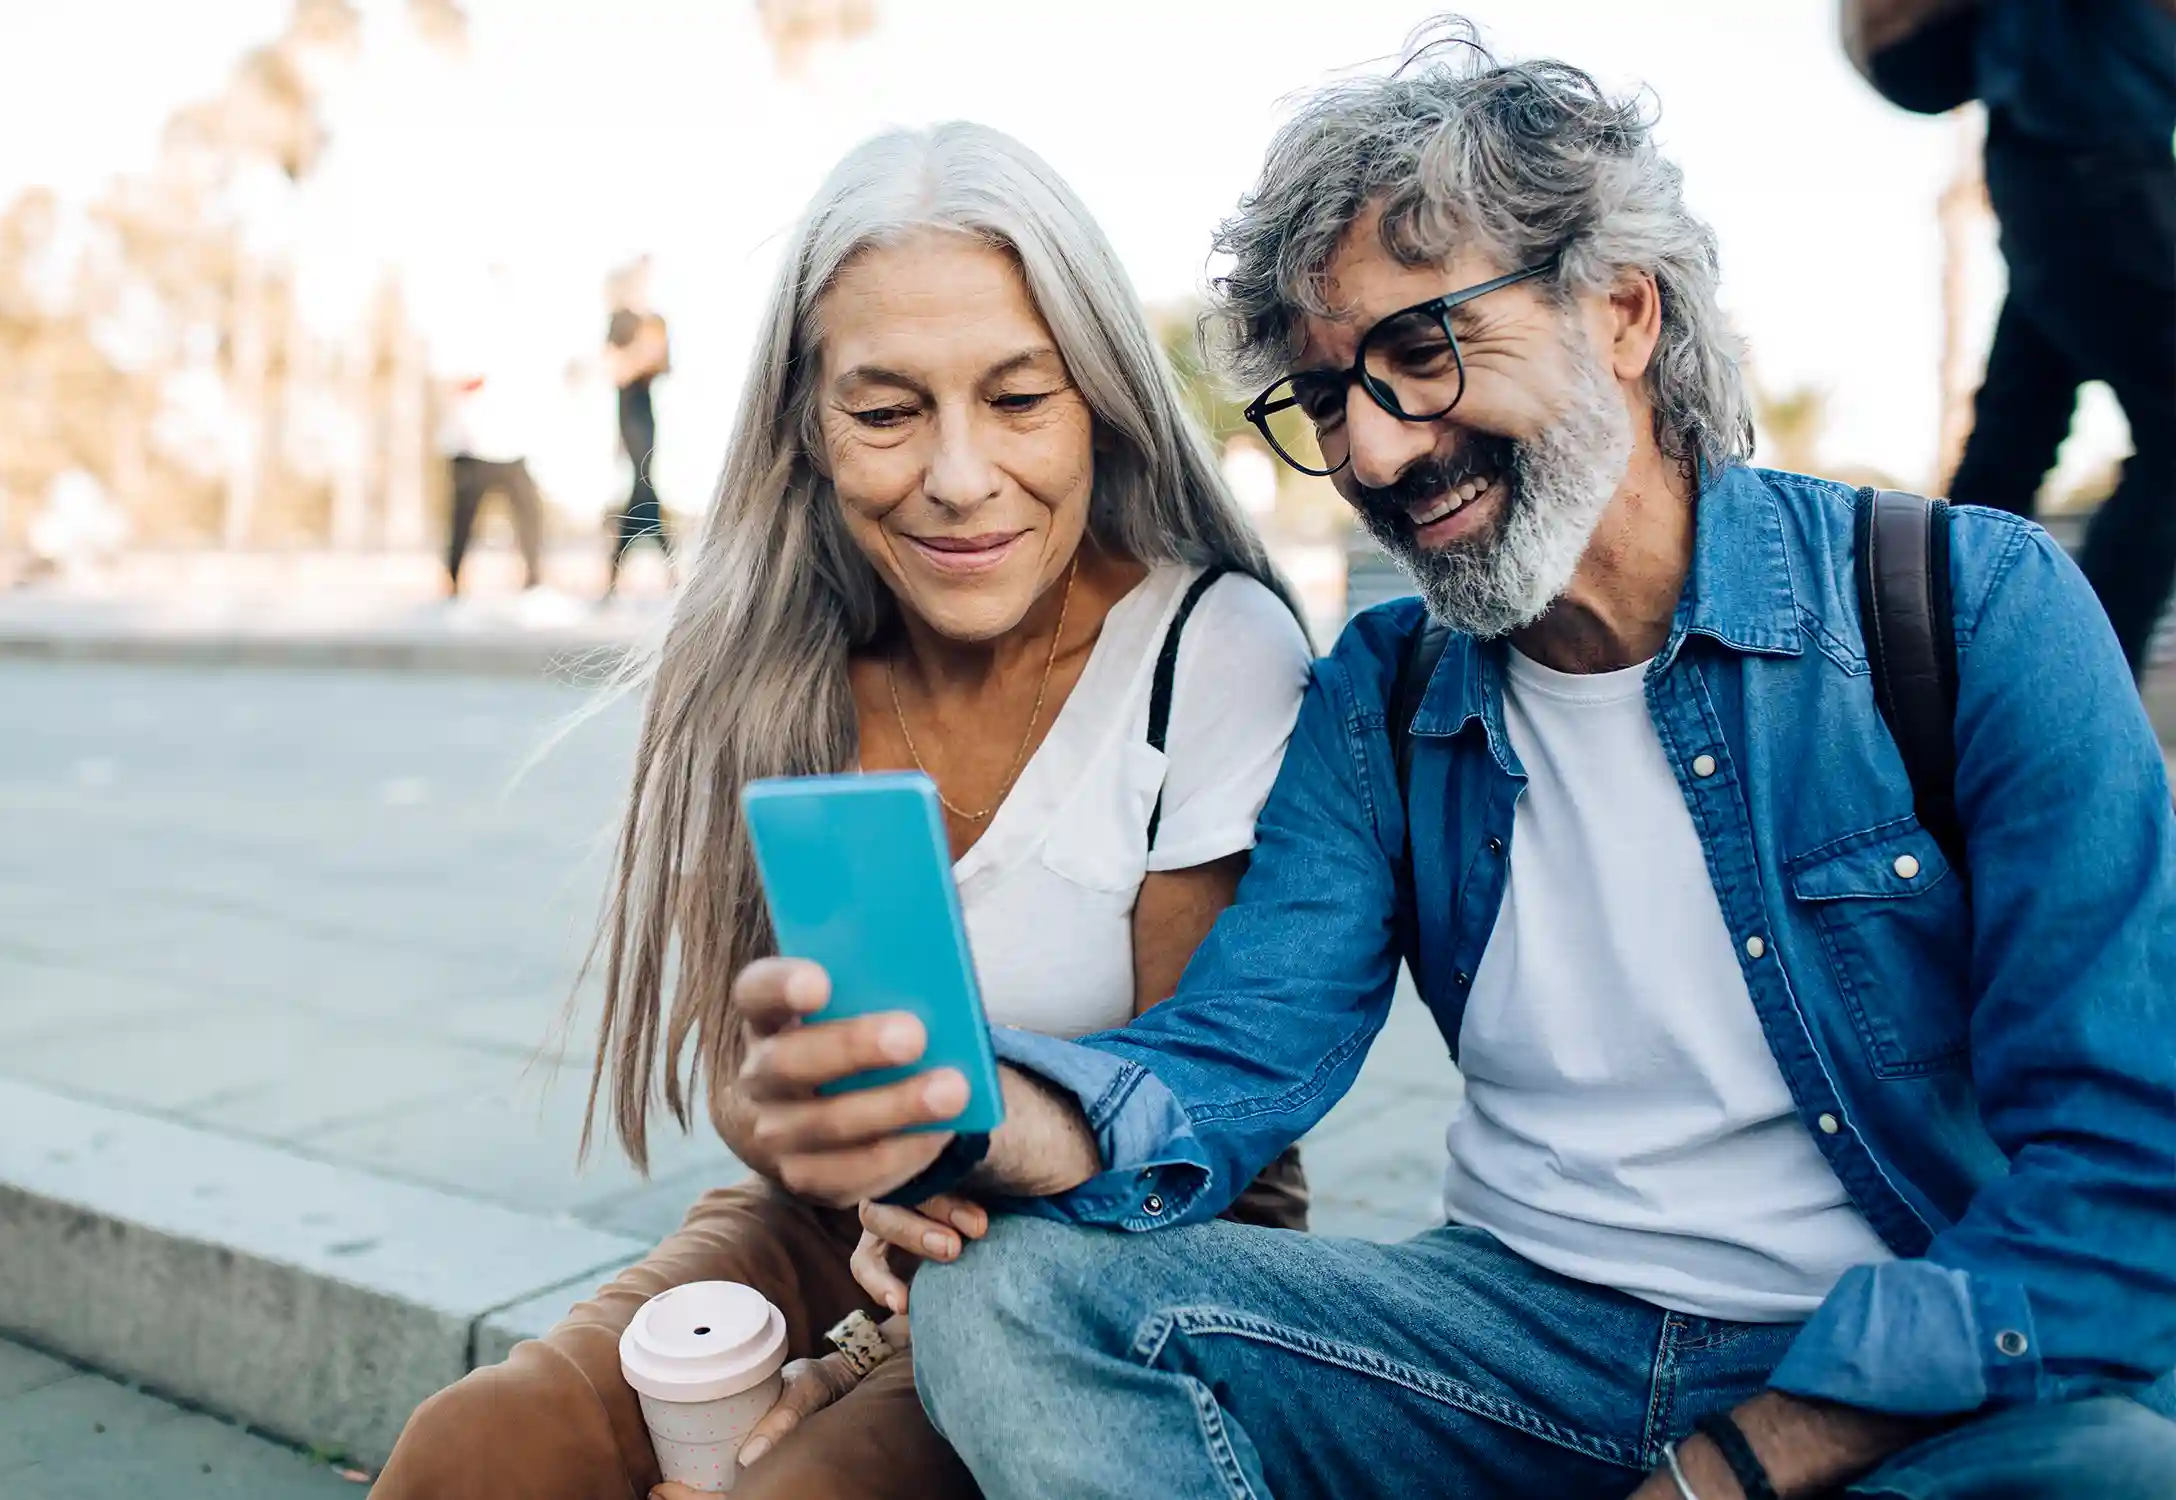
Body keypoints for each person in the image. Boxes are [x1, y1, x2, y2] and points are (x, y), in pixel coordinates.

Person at [731, 32, 2176, 1500]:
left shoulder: (1970, 611)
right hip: (1514, 1354)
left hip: (1875, 1382)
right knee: (1012, 1298)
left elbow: (2122, 1175)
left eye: (1418, 352)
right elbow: (1236, 1055)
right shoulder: (1382, 694)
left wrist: (1727, 1472)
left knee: (2114, 1470)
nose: (1370, 448)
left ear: (1618, 308)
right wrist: (976, 1116)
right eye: (1322, 398)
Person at [370, 122, 1313, 1500]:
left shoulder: (1211, 654)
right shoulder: (768, 657)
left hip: (1136, 1264)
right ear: (807, 430)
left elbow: (1201, 1131)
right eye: (885, 412)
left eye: (1017, 399)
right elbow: (751, 1095)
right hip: (840, 1228)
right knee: (482, 1449)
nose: (958, 474)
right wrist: (801, 1137)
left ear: (1100, 399)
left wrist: (881, 1357)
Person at [1845, 0, 2176, 678]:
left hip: (2071, 168)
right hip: (2088, 160)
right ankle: (2087, 686)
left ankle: (1937, 685)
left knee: (2009, 448)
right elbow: (1896, 59)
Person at [602, 258, 677, 599]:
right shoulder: (620, 321)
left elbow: (664, 366)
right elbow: (614, 370)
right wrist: (640, 352)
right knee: (643, 486)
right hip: (627, 412)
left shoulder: (656, 321)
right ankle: (665, 564)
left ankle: (619, 567)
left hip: (646, 412)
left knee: (643, 485)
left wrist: (648, 353)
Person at [440, 375, 546, 597]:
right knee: (462, 523)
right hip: (473, 453)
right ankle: (452, 579)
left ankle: (534, 579)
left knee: (530, 516)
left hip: (512, 453)